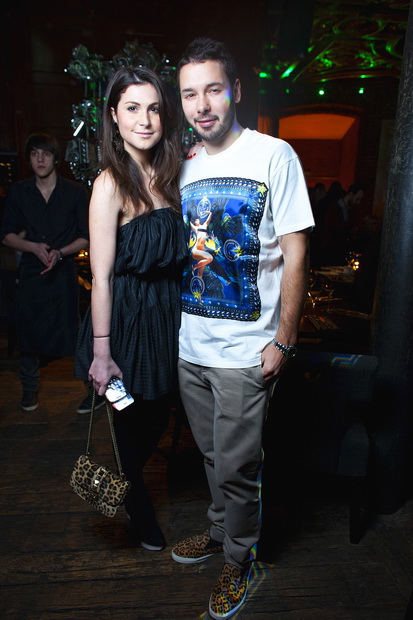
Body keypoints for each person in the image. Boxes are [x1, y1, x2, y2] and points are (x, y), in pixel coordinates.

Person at [171, 38, 315, 619]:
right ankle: (218, 530)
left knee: (238, 467)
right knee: (211, 457)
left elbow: (296, 251)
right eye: (189, 94)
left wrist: (284, 339)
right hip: (191, 346)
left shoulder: (273, 155)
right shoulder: (182, 164)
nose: (201, 104)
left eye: (212, 89)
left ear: (234, 90)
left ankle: (241, 557)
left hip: (246, 352)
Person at [74, 66, 187, 551]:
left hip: (166, 314)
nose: (145, 120)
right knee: (129, 419)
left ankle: (126, 484)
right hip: (125, 319)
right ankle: (139, 507)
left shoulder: (173, 176)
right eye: (133, 108)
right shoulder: (109, 184)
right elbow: (101, 277)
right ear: (114, 116)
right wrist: (102, 352)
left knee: (159, 414)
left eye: (154, 108)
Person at [1, 133, 89, 411]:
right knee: (28, 333)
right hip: (31, 273)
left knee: (74, 333)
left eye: (46, 154)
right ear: (28, 159)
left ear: (56, 159)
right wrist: (33, 247)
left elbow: (87, 236)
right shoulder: (19, 191)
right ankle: (29, 390)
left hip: (63, 275)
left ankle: (94, 390)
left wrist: (60, 252)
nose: (40, 159)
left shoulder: (75, 192)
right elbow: (6, 234)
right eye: (34, 154)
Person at [319, 182, 364, 266]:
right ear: (350, 194)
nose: (358, 202)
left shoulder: (350, 210)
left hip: (339, 252)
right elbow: (331, 225)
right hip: (330, 252)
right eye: (357, 199)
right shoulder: (334, 207)